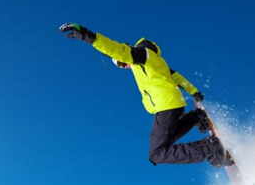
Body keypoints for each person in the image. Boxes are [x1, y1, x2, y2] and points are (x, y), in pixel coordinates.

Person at [59, 22, 229, 168]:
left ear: (125, 57)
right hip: (173, 103)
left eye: (122, 64)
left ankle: (209, 148)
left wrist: (88, 36)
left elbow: (116, 50)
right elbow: (175, 76)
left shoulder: (139, 55)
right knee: (167, 139)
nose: (124, 67)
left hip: (165, 105)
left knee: (157, 153)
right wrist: (193, 92)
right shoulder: (154, 59)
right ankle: (196, 118)